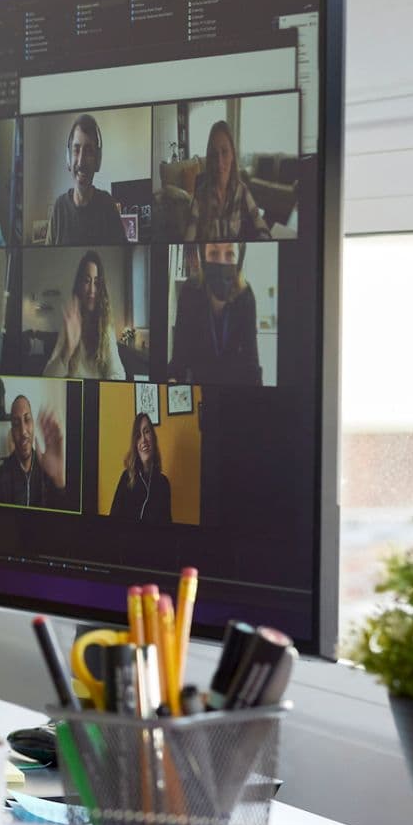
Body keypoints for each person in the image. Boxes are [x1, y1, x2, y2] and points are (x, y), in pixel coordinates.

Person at [169, 241, 262, 384]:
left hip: (234, 392)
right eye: (213, 253)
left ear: (239, 262)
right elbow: (179, 358)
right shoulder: (190, 291)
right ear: (203, 259)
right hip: (199, 388)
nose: (221, 262)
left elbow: (251, 362)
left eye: (230, 254)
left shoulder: (246, 296)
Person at [42, 250, 127, 380]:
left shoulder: (106, 327)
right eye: (87, 281)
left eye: (97, 283)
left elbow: (118, 374)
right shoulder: (69, 326)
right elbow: (46, 377)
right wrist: (67, 350)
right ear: (79, 285)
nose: (92, 290)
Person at [46, 112, 127, 246]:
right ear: (68, 157)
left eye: (89, 151)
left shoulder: (108, 205)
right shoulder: (59, 208)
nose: (81, 161)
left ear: (97, 160)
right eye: (76, 150)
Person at [186, 118, 267, 242]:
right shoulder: (200, 196)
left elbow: (259, 222)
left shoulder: (242, 191)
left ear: (232, 155)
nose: (219, 162)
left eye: (224, 152)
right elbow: (189, 236)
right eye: (214, 154)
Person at [0, 392, 72, 509]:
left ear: (33, 424)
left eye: (27, 420)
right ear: (12, 432)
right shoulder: (1, 474)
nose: (23, 431)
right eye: (16, 424)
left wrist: (60, 481)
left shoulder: (47, 470)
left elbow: (65, 520)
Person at [109, 410, 172, 523]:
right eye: (138, 435)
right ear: (135, 444)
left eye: (146, 432)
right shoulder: (126, 478)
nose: (143, 439)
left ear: (153, 437)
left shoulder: (164, 483)